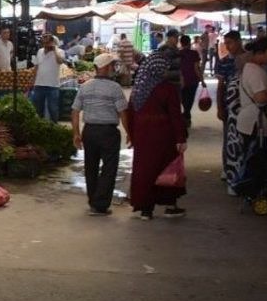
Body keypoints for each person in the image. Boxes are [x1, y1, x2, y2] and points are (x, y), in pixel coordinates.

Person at [126, 51, 187, 220]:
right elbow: (176, 115)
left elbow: (130, 114)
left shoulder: (138, 89)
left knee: (145, 170)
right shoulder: (167, 88)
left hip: (142, 136)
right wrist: (180, 138)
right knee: (166, 169)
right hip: (164, 136)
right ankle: (170, 205)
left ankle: (146, 210)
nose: (167, 70)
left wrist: (132, 136)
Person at [71, 53, 129, 216]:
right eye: (112, 65)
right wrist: (130, 133)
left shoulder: (85, 86)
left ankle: (93, 201)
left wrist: (76, 133)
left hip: (89, 131)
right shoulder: (115, 88)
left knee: (91, 167)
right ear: (105, 67)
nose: (113, 68)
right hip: (108, 132)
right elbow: (123, 113)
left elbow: (75, 111)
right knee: (109, 168)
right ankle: (101, 204)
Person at [234, 37, 267, 202]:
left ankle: (252, 192)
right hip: (256, 123)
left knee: (254, 159)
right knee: (257, 161)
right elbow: (261, 98)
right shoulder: (254, 71)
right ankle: (253, 193)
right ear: (260, 53)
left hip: (252, 122)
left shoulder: (253, 69)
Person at [216, 30, 246, 194]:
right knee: (229, 137)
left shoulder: (249, 58)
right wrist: (220, 107)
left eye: (230, 43)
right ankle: (227, 168)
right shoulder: (224, 62)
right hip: (230, 106)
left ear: (239, 42)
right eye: (225, 43)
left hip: (247, 106)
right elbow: (220, 86)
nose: (227, 46)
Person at [30, 33, 65, 122]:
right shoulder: (40, 51)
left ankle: (54, 126)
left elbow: (60, 61)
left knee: (53, 108)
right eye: (44, 42)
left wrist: (55, 49)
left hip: (52, 85)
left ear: (52, 42)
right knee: (38, 108)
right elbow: (36, 67)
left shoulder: (60, 52)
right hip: (39, 85)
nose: (46, 44)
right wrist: (32, 82)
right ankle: (41, 125)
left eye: (48, 42)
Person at [178, 34, 202, 128]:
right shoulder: (194, 53)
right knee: (190, 99)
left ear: (181, 43)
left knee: (184, 99)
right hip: (193, 80)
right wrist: (202, 80)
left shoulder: (178, 53)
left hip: (181, 80)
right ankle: (187, 115)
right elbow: (196, 68)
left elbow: (178, 68)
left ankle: (186, 115)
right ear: (189, 42)